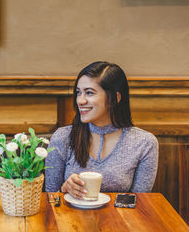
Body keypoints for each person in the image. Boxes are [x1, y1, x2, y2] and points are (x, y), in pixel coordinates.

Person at [45, 62, 158, 198]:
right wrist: (64, 189)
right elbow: (50, 199)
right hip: (69, 218)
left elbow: (141, 203)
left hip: (121, 219)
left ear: (115, 99)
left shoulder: (144, 143)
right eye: (78, 92)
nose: (80, 101)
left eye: (89, 93)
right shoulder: (62, 137)